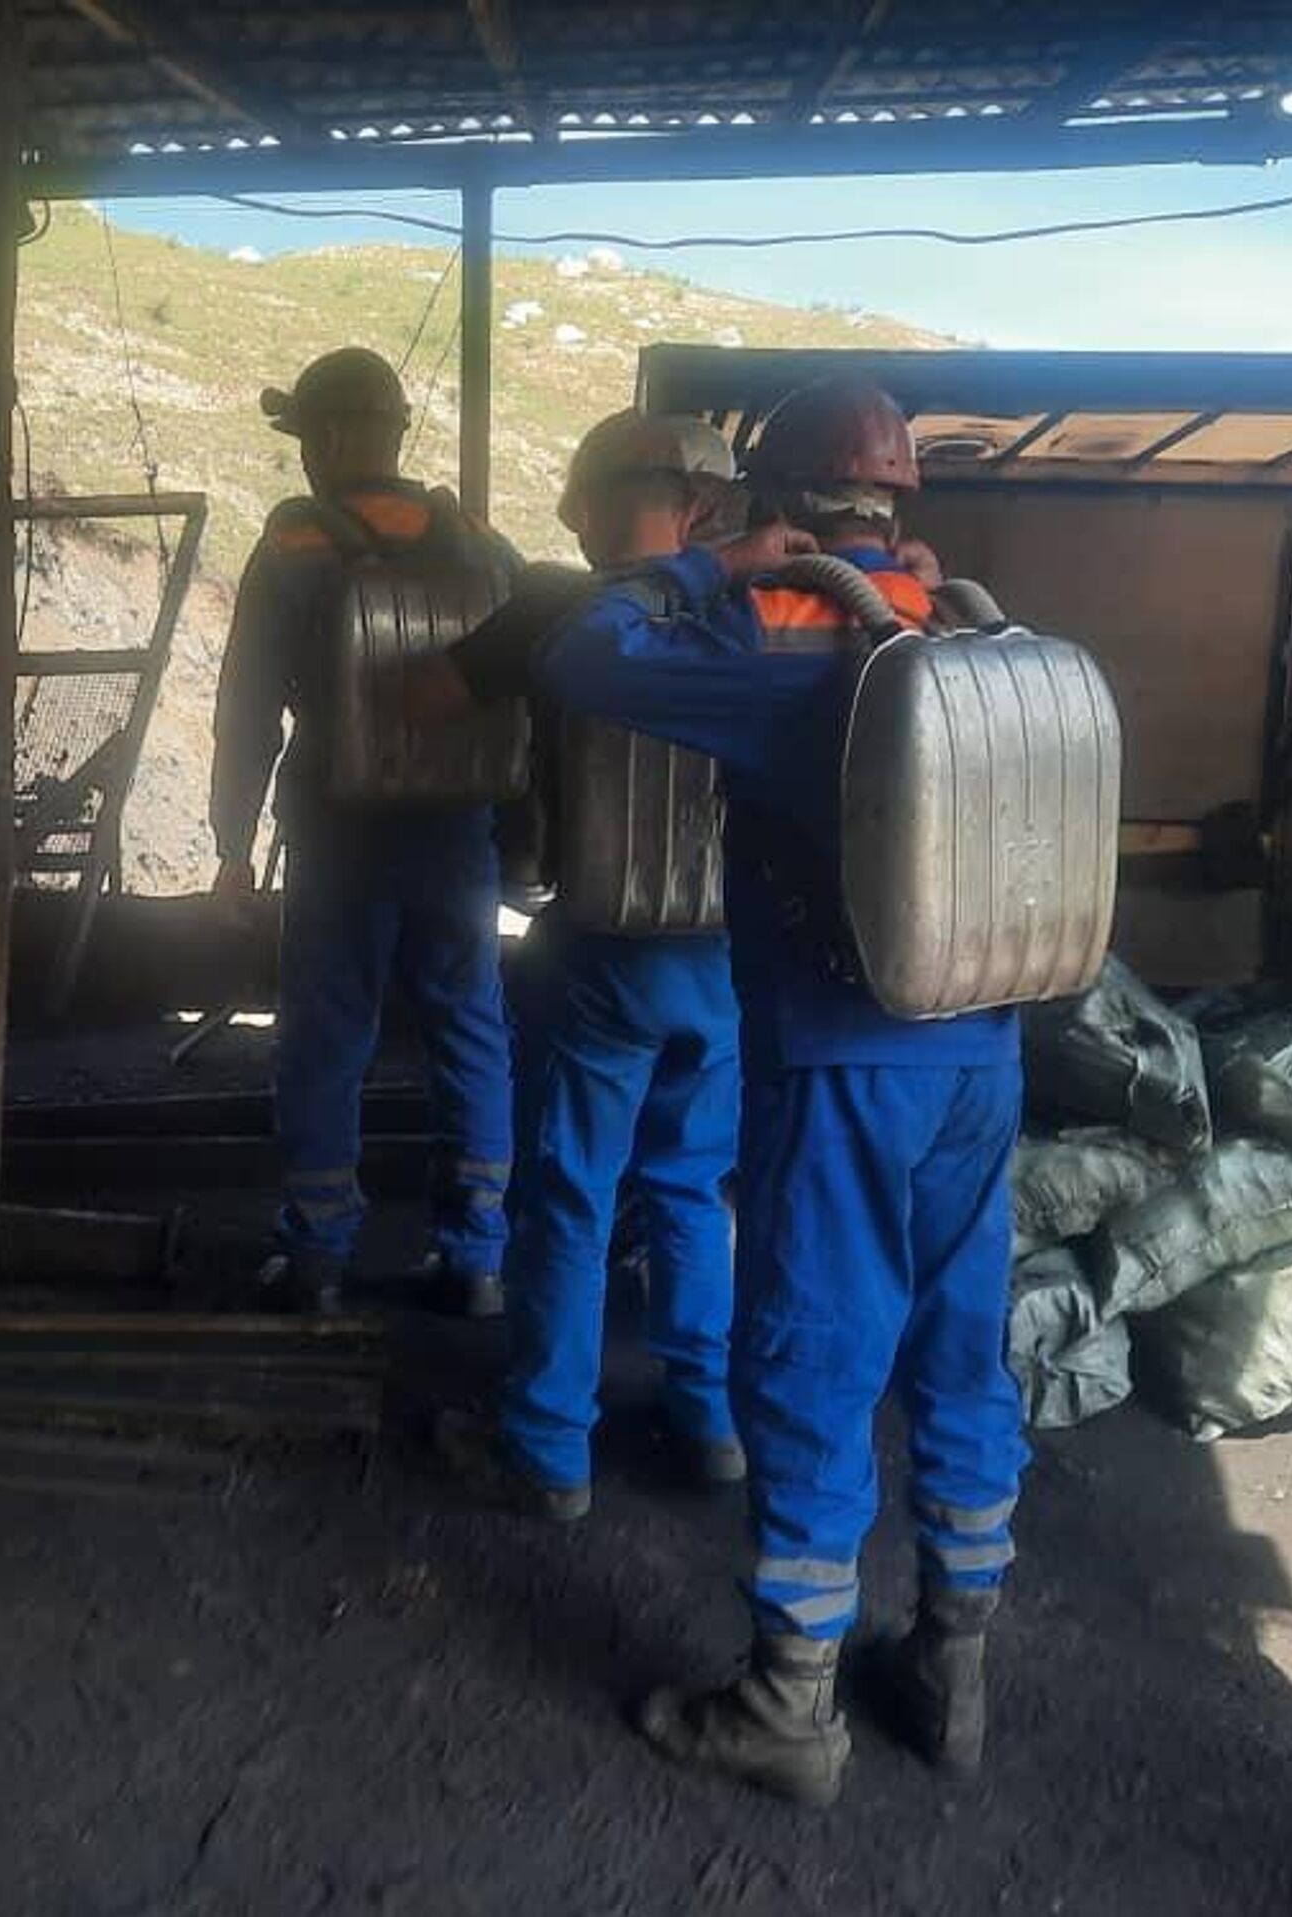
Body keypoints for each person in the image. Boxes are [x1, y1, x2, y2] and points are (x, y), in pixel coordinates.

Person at [446, 380, 1025, 1808]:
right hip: (984, 1055)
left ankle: (788, 1702)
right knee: (960, 1353)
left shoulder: (781, 633)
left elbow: (581, 652)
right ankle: (950, 1666)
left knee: (815, 1351)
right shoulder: (964, 623)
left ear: (778, 504)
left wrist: (714, 568)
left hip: (845, 1056)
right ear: (896, 501)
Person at [430, 412, 747, 1520]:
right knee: (692, 1187)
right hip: (725, 957)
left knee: (571, 1194)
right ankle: (708, 1420)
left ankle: (548, 1446)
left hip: (605, 949)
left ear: (602, 501)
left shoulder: (569, 613)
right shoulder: (763, 612)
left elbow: (427, 698)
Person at [211, 346, 515, 1317]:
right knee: (469, 1028)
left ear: (337, 436)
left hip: (340, 828)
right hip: (458, 827)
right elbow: (527, 665)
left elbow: (248, 705)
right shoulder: (476, 539)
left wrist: (231, 843)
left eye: (307, 436)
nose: (304, 456)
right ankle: (476, 1257)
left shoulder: (295, 544)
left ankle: (318, 1253)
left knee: (327, 1034)